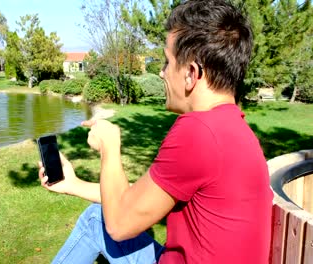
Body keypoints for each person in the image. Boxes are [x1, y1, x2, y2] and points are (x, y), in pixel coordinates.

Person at [38, 0, 273, 263]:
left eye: (167, 61)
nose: (161, 73)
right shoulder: (234, 129)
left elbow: (118, 225)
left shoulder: (199, 131)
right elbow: (142, 199)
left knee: (100, 221)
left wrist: (109, 148)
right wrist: (73, 185)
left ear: (191, 73)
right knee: (96, 216)